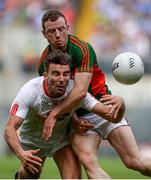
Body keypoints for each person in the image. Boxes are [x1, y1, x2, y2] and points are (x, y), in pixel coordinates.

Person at [38, 9, 151, 179]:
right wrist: (74, 120)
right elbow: (53, 98)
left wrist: (54, 115)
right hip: (80, 119)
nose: (58, 35)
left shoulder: (82, 48)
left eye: (61, 29)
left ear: (68, 27)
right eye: (52, 31)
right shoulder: (43, 64)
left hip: (105, 108)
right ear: (44, 34)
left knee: (135, 162)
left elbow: (81, 91)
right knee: (89, 164)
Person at [4, 49, 123, 179]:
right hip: (32, 142)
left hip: (60, 142)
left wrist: (121, 105)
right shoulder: (30, 91)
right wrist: (21, 154)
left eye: (65, 74)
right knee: (31, 175)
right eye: (56, 74)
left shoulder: (76, 93)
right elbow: (9, 128)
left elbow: (112, 117)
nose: (61, 79)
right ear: (45, 75)